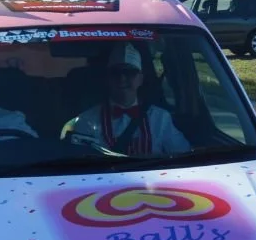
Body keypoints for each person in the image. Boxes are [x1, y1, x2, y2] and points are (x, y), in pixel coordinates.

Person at [62, 43, 191, 156]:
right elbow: (81, 162)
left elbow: (184, 154)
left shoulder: (161, 118)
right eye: (116, 73)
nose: (122, 79)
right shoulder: (87, 120)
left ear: (140, 79)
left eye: (129, 72)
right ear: (108, 79)